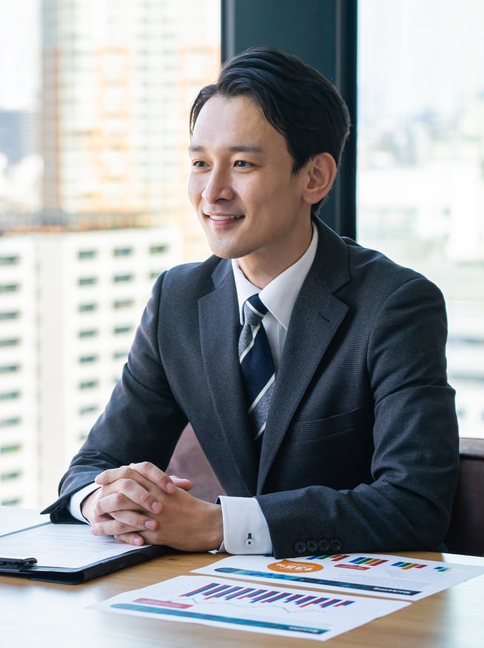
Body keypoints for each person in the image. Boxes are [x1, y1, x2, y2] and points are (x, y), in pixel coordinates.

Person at [43, 46, 459, 559]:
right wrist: (103, 501)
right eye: (199, 164)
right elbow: (93, 463)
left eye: (241, 164)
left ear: (315, 177)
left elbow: (413, 503)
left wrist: (220, 527)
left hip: (367, 601)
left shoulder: (395, 306)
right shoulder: (177, 299)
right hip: (228, 600)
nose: (212, 192)